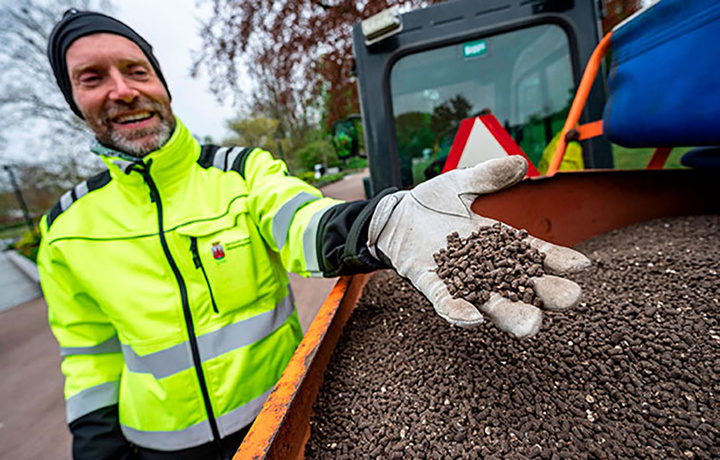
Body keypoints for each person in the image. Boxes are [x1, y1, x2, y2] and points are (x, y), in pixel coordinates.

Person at [39, 9, 590, 460]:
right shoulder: (64, 227)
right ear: (73, 100)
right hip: (157, 448)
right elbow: (89, 357)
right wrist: (99, 453)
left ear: (159, 81)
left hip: (280, 417)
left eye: (136, 71)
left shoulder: (240, 171)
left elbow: (301, 221)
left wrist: (384, 221)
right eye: (92, 78)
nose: (121, 91)